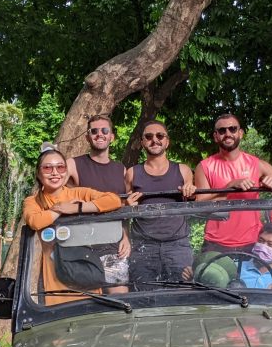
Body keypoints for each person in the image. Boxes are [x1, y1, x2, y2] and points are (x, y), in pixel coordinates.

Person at [22, 148, 123, 305]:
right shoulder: (32, 201)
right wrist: (60, 209)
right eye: (48, 168)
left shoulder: (79, 193)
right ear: (38, 173)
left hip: (85, 271)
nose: (55, 172)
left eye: (60, 167)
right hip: (55, 276)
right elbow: (35, 221)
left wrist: (78, 208)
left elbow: (114, 200)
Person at [194, 112, 272, 253]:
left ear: (240, 133)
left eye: (233, 129)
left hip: (253, 243)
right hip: (215, 244)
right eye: (222, 131)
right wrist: (228, 187)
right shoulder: (204, 166)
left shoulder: (257, 164)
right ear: (215, 136)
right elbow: (199, 207)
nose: (228, 133)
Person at [125, 121, 198, 289]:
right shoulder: (132, 173)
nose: (154, 140)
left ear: (167, 141)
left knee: (182, 296)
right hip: (144, 247)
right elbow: (125, 210)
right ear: (142, 142)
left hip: (178, 245)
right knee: (143, 298)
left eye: (160, 136)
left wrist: (191, 191)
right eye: (148, 137)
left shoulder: (183, 170)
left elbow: (193, 197)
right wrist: (127, 205)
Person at [65, 114, 133, 290]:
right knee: (84, 307)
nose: (99, 134)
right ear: (88, 137)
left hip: (113, 246)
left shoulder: (121, 169)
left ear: (112, 136)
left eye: (104, 130)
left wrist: (126, 236)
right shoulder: (72, 164)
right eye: (94, 131)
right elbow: (53, 190)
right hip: (81, 247)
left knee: (120, 301)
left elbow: (123, 209)